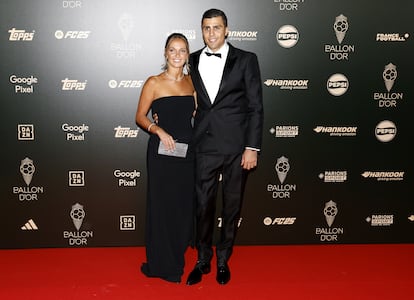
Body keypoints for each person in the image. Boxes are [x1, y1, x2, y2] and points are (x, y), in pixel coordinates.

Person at [185, 8, 263, 285]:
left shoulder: (246, 60)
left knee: (231, 206)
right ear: (201, 30)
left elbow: (255, 107)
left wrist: (252, 147)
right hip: (204, 144)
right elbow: (188, 94)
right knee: (202, 205)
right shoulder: (192, 59)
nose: (211, 33)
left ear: (226, 30)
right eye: (206, 28)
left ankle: (223, 260)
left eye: (217, 28)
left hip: (236, 147)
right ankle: (202, 259)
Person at [135, 33, 196, 283]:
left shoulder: (193, 83)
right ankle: (162, 262)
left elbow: (198, 113)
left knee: (182, 206)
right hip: (161, 153)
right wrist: (158, 130)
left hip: (187, 154)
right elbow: (140, 117)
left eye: (182, 50)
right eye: (173, 50)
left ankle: (177, 252)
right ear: (165, 53)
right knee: (161, 206)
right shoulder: (154, 82)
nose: (177, 55)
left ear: (187, 54)